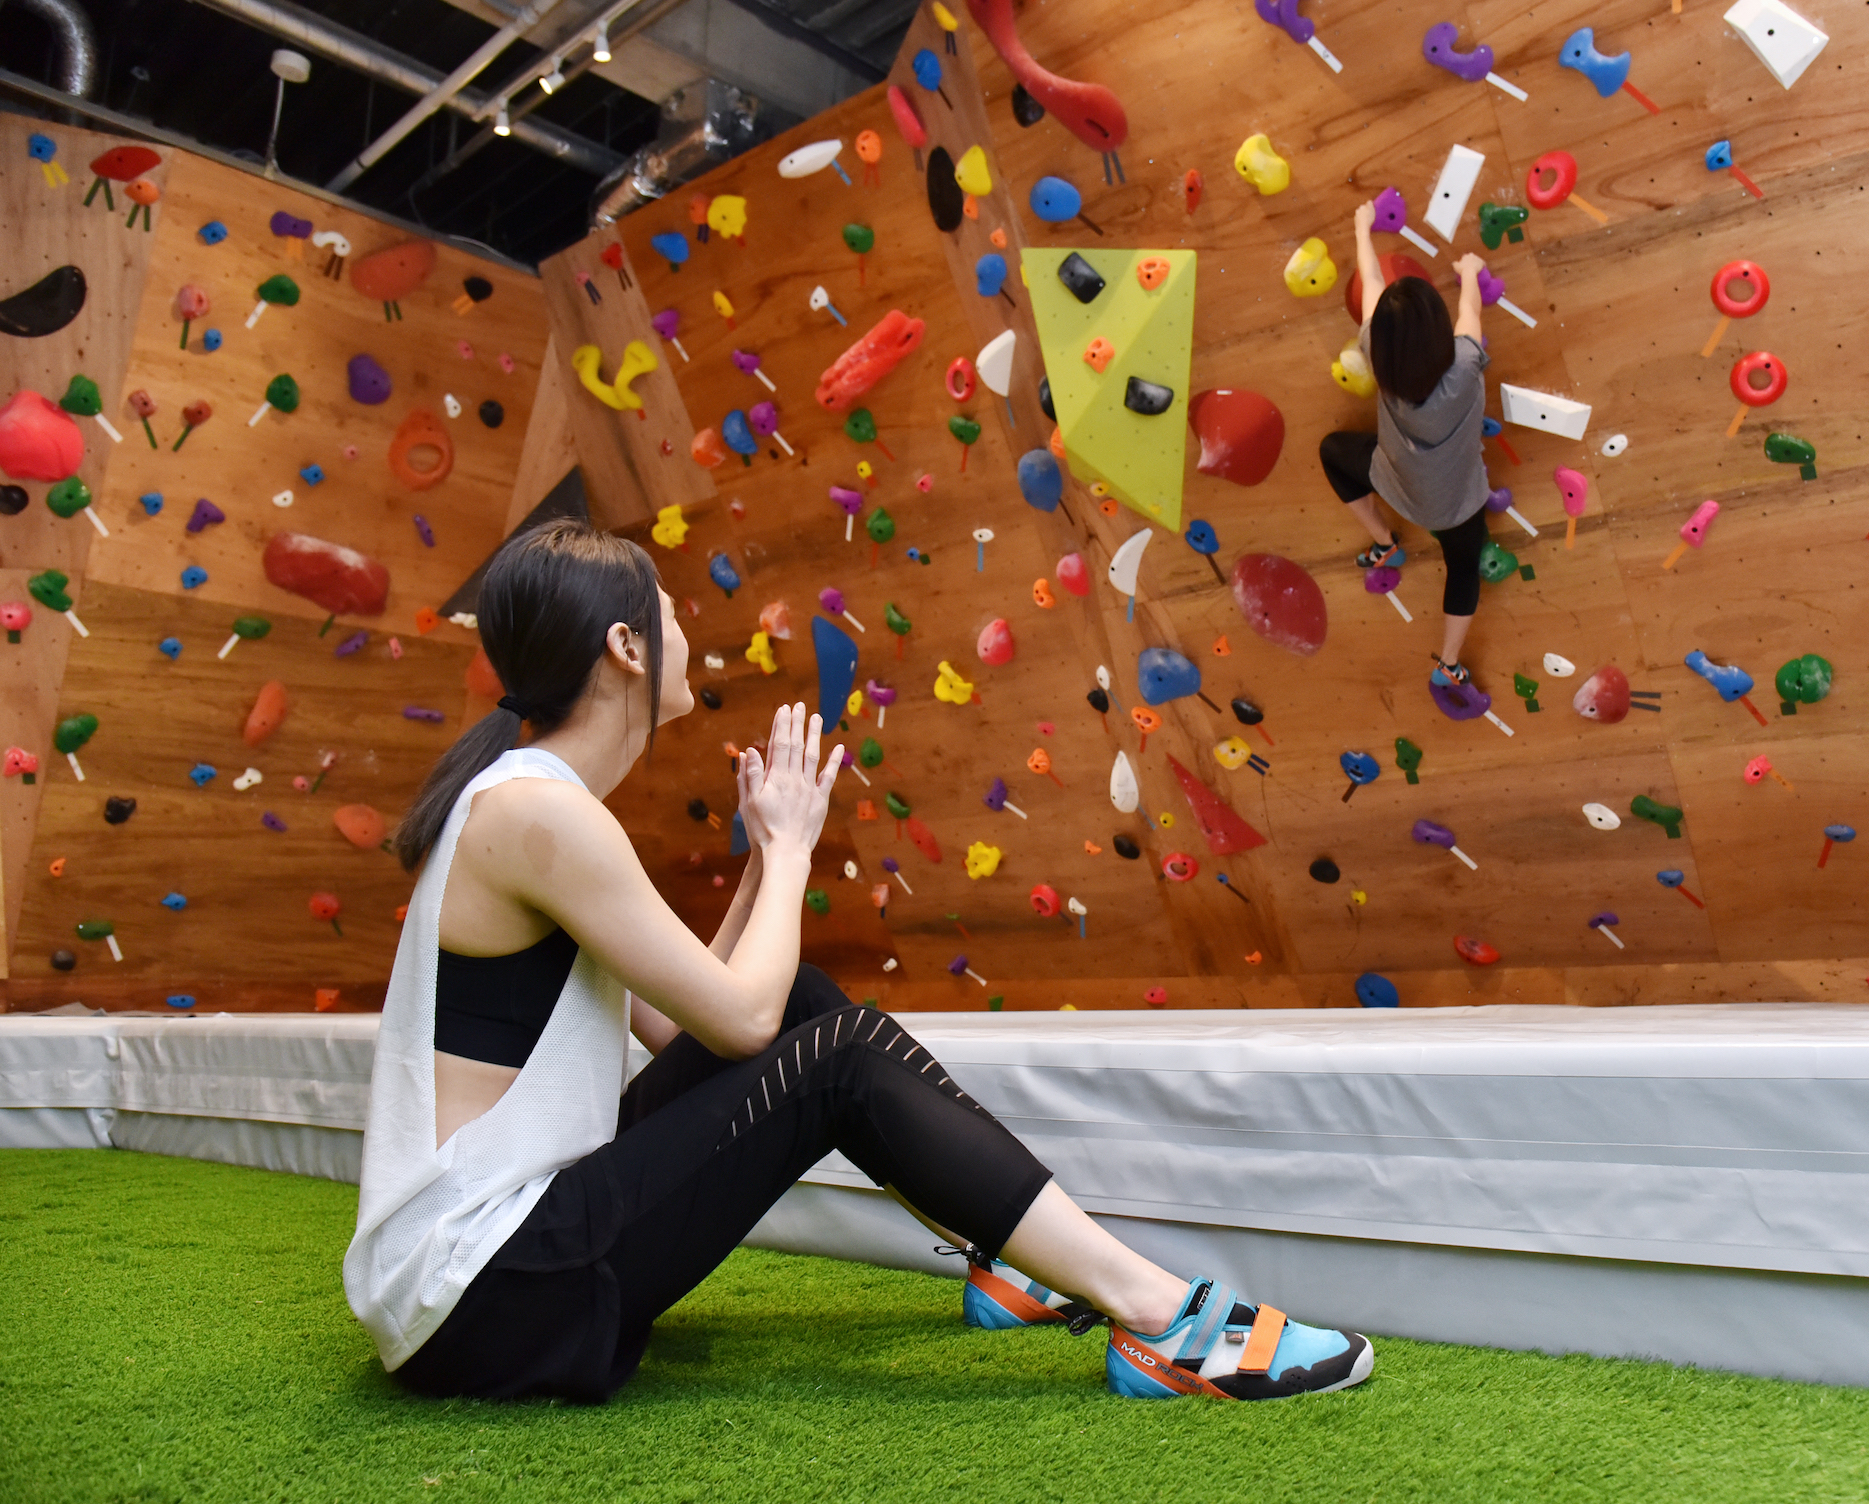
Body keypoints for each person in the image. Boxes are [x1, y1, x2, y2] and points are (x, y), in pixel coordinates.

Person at [342, 518, 1372, 1404]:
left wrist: (754, 866)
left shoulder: (534, 805)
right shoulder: (537, 815)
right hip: (484, 1293)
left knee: (804, 1000)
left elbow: (692, 1018)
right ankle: (1161, 1315)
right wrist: (790, 853)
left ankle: (1008, 1264)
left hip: (496, 1273)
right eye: (666, 606)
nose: (684, 624)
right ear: (623, 644)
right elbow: (738, 1031)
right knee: (831, 1054)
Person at [1322, 199, 1497, 688]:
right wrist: (1468, 271)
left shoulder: (1378, 354)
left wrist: (1361, 228)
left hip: (1397, 486)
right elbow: (1470, 309)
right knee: (1462, 569)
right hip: (1458, 504)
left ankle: (1384, 541)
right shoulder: (1463, 365)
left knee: (1332, 452)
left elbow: (1371, 285)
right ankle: (1447, 662)